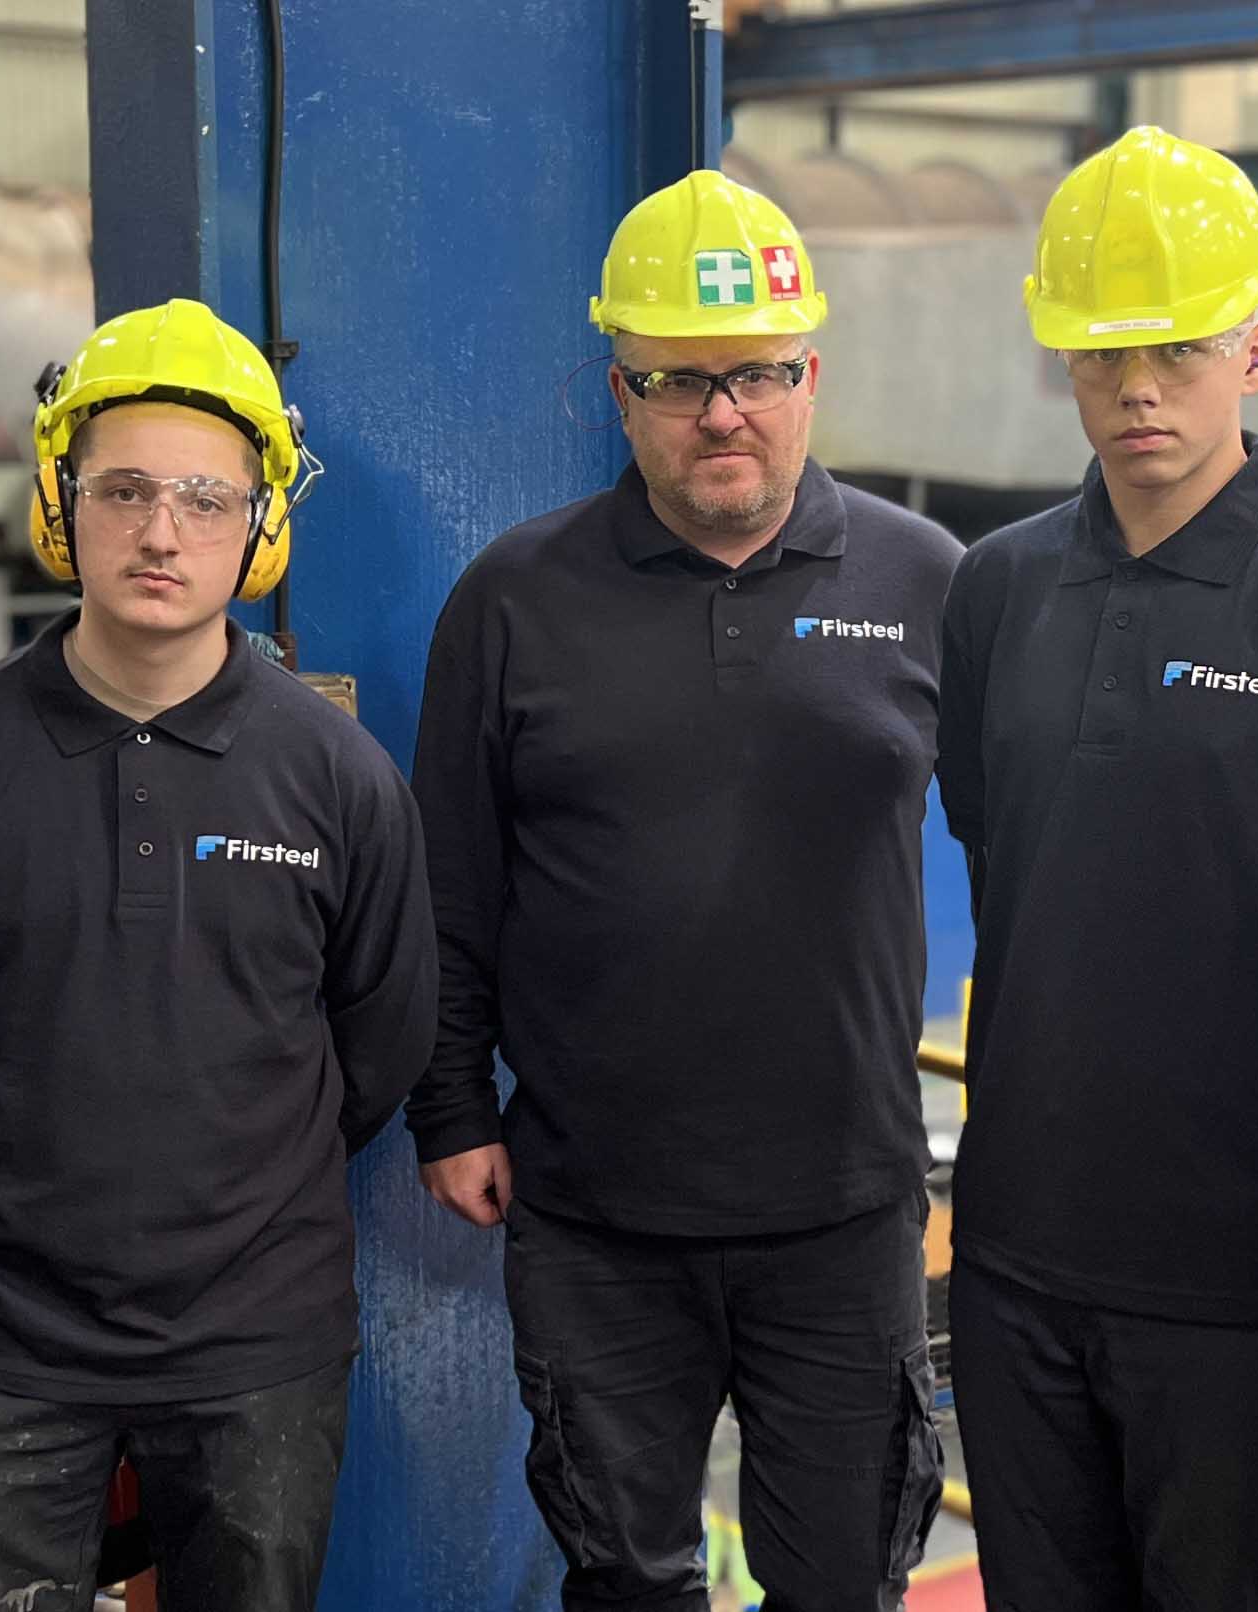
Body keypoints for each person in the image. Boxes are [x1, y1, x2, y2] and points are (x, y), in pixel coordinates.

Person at [408, 168, 957, 1612]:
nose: (724, 413)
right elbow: (451, 884)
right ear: (620, 390)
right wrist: (452, 1107)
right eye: (679, 381)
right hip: (596, 1220)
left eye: (759, 375)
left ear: (810, 376)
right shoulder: (514, 600)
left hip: (845, 1216)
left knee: (842, 1585)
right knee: (630, 1582)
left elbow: (1043, 871)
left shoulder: (927, 582)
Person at [935, 127, 1258, 1612]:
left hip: (1247, 1289)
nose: (1137, 387)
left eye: (1175, 345)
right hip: (1022, 1261)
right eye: (1100, 352)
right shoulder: (1000, 590)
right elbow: (1008, 859)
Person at [0, 299, 434, 1612]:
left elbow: (380, 1044)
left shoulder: (337, 779)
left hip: (255, 1349)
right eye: (122, 490)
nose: (162, 532)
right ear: (60, 503)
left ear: (262, 527)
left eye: (206, 501)